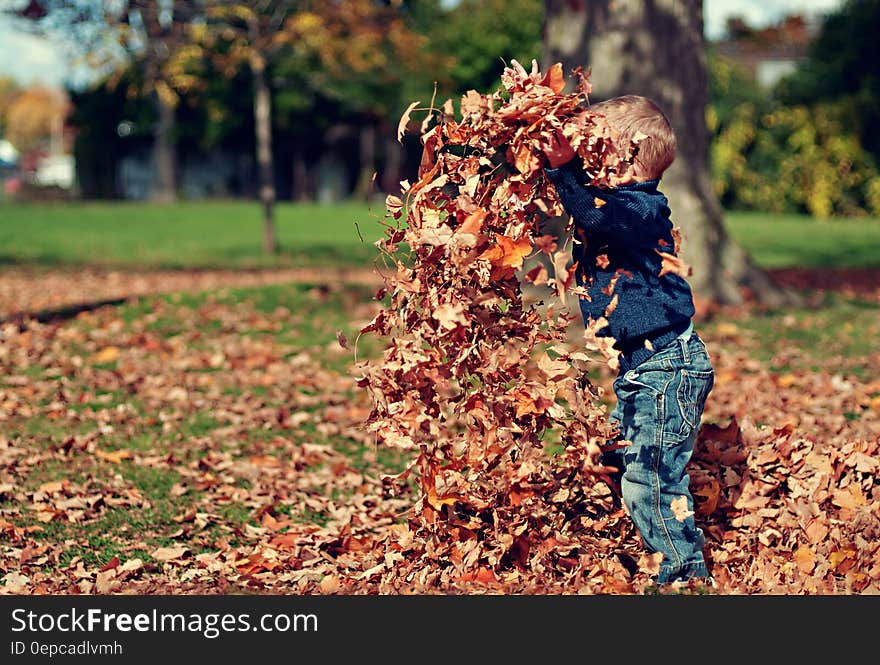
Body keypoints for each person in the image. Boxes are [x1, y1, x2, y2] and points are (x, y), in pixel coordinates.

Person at [540, 95, 715, 586]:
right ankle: (631, 538)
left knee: (653, 480)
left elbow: (595, 216)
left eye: (595, 153)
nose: (585, 162)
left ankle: (684, 574)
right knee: (618, 454)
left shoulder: (641, 209)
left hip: (667, 369)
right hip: (644, 370)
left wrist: (564, 171)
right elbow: (586, 209)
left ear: (625, 158)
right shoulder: (618, 205)